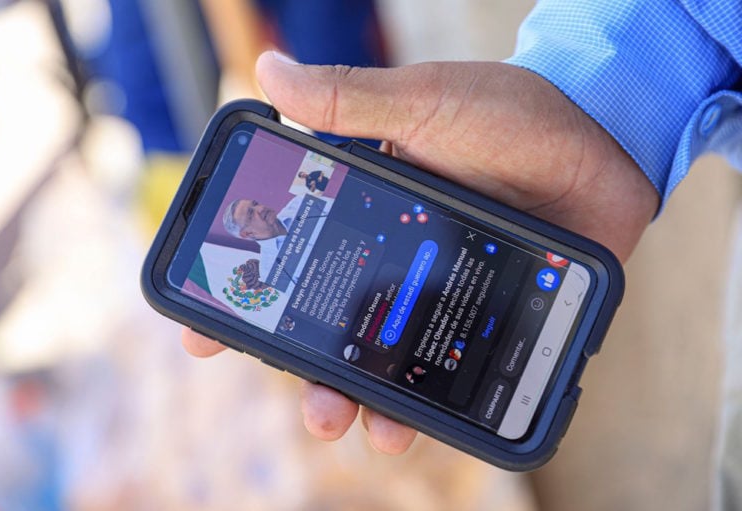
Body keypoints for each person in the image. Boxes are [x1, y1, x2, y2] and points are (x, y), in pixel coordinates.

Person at [185, 0, 741, 481]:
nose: (259, 212)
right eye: (249, 218)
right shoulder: (276, 278)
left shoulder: (311, 191)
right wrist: (592, 112)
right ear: (247, 235)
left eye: (253, 202)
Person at [223, 194, 333, 282]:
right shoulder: (270, 270)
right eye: (251, 214)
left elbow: (344, 210)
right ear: (247, 233)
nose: (260, 209)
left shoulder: (300, 203)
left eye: (255, 204)